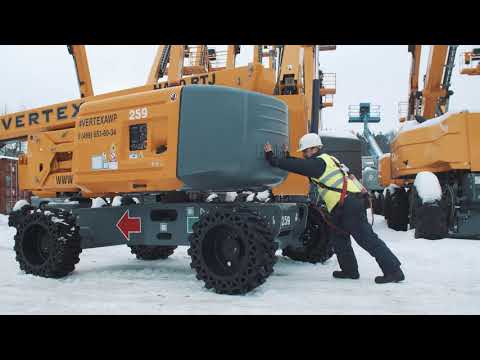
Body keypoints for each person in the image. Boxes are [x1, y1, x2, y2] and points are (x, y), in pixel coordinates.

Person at [264, 133, 405, 284]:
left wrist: (272, 158)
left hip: (349, 204)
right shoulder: (330, 160)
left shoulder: (319, 164)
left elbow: (298, 167)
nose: (304, 155)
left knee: (367, 239)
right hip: (344, 205)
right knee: (338, 238)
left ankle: (394, 271)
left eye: (305, 151)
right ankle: (349, 270)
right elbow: (300, 165)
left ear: (314, 149)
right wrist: (286, 156)